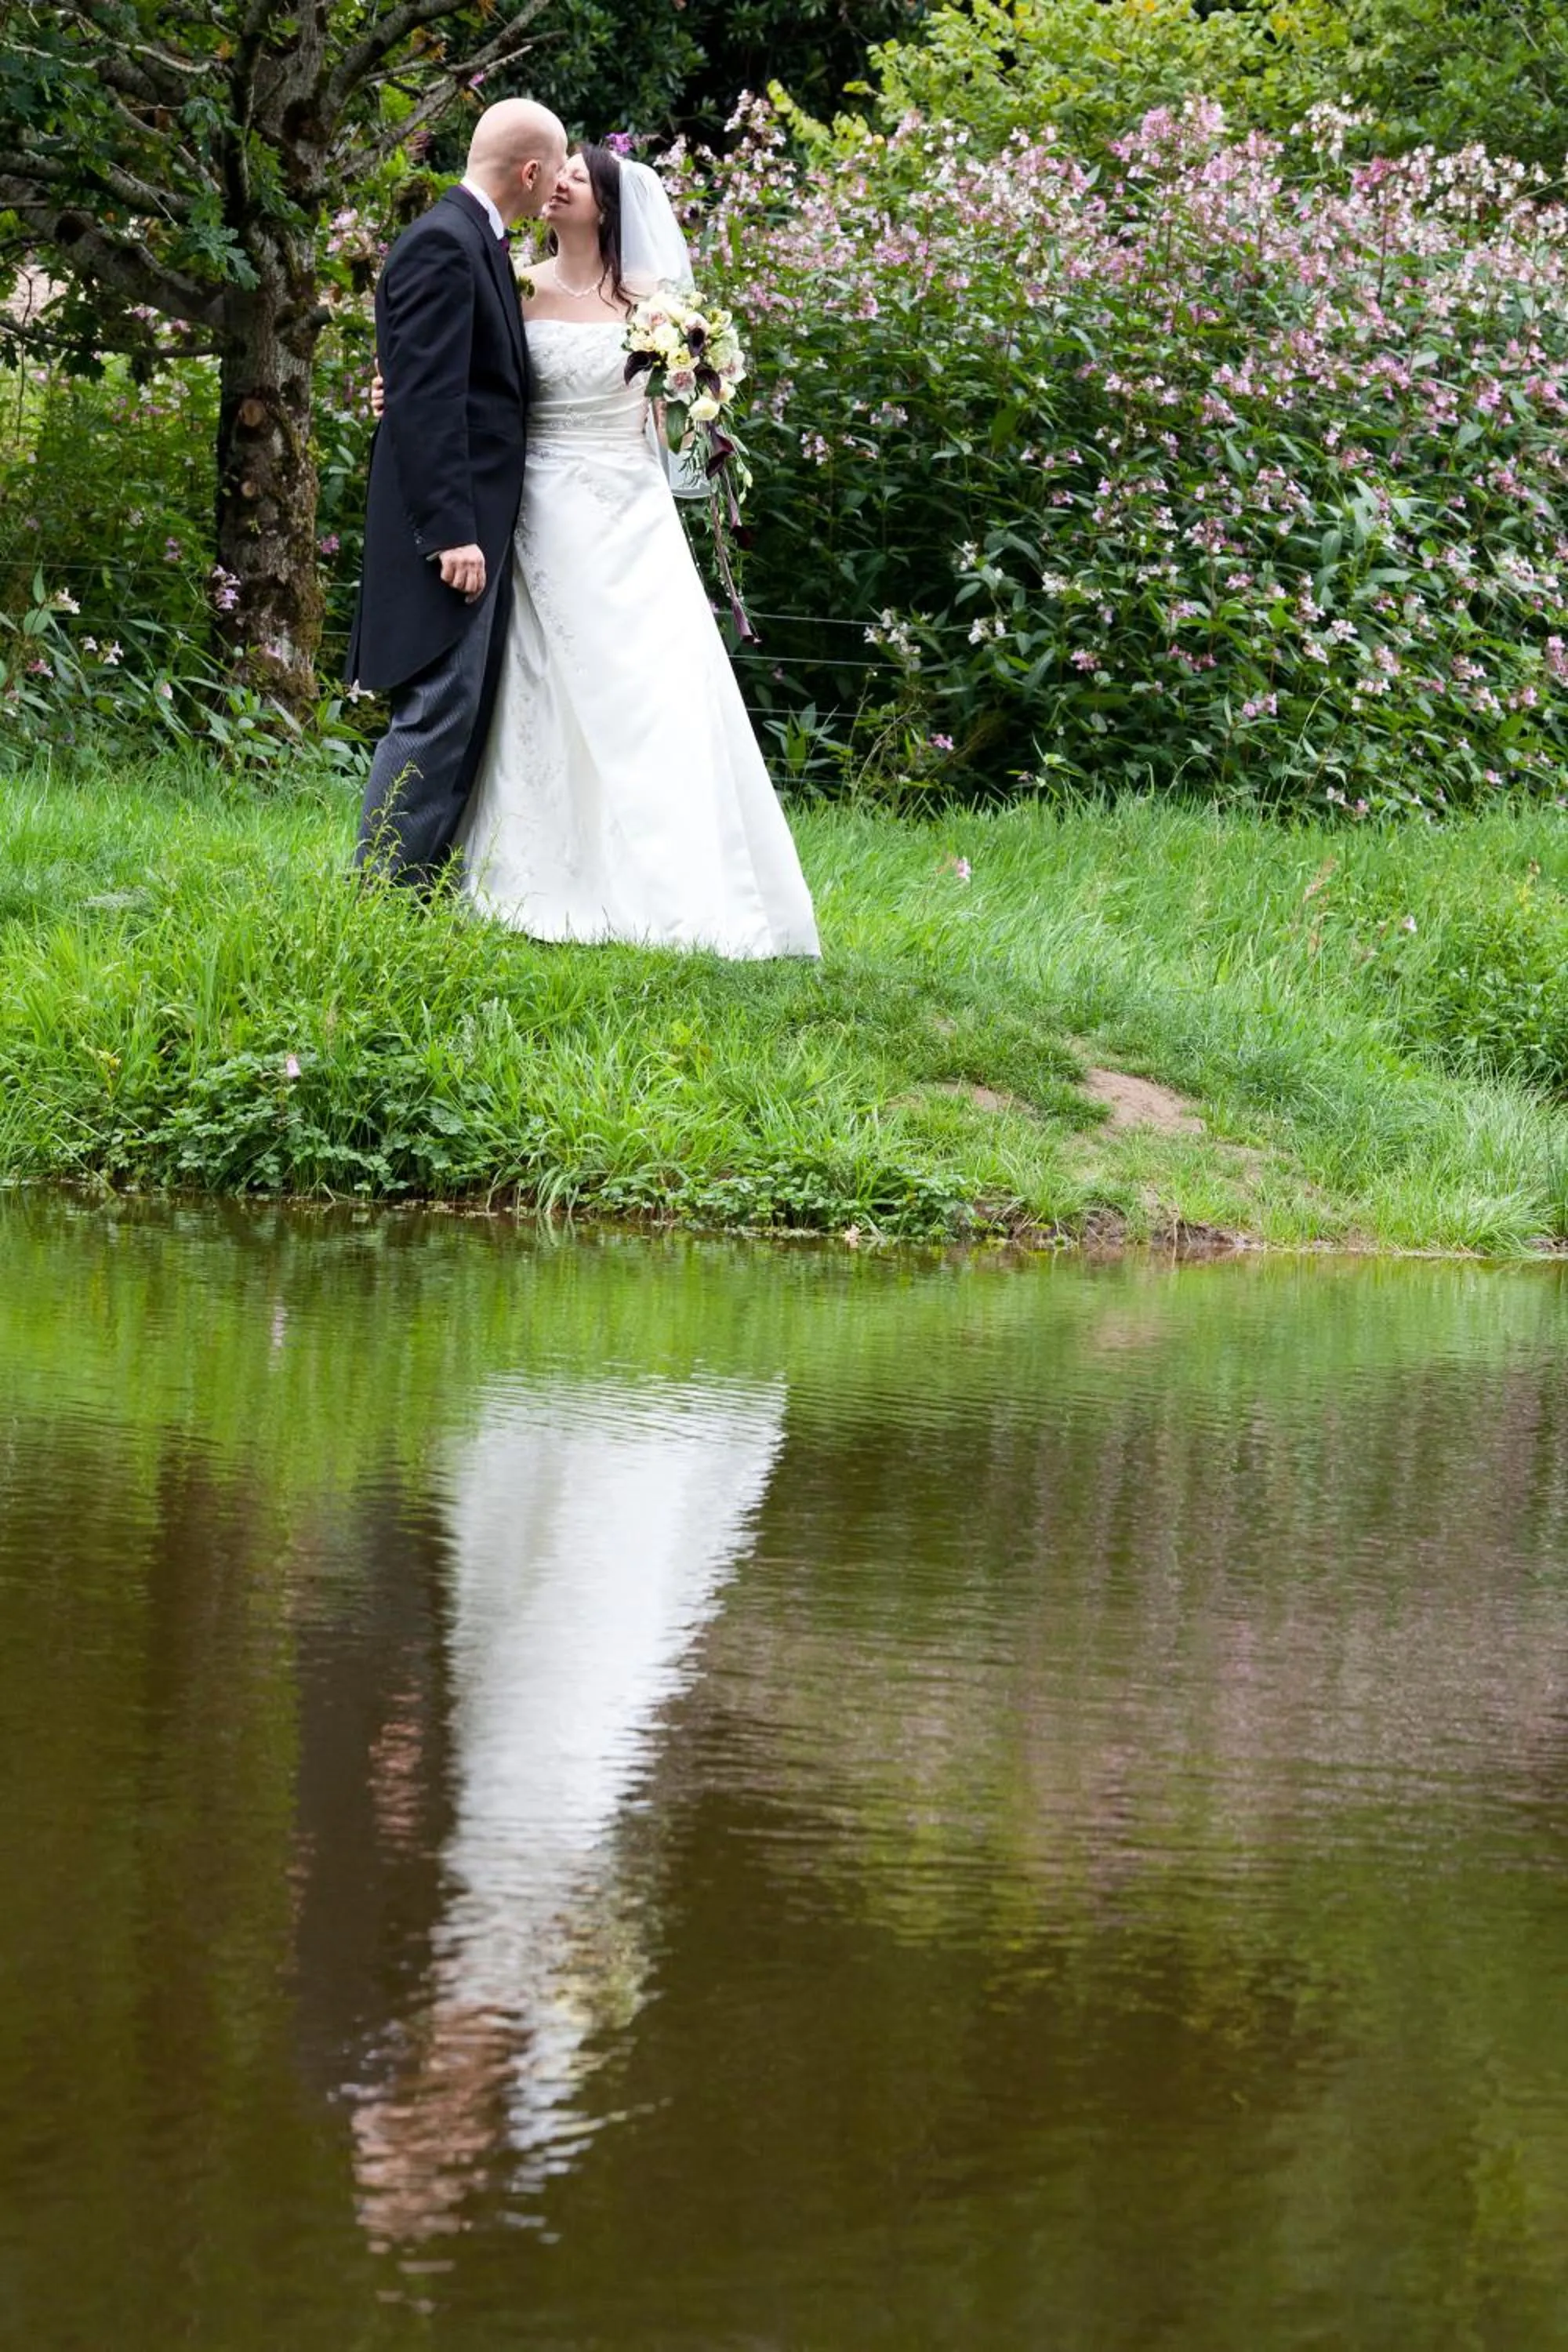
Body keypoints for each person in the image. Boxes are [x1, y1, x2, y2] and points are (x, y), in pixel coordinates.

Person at [372, 144, 820, 960]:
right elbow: (461, 373)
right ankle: (523, 871)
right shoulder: (518, 287)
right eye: (558, 173)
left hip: (625, 512)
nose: (559, 183)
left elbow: (683, 416)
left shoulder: (657, 304)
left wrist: (696, 393)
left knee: (642, 689)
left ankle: (666, 880)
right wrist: (393, 387)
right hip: (533, 507)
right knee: (533, 681)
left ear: (608, 205)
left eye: (578, 177)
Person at [348, 99, 569, 887]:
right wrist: (450, 532)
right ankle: (377, 894)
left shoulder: (473, 240)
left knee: (458, 705)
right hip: (446, 521)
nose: (558, 186)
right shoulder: (446, 243)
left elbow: (438, 381)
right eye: (556, 170)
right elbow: (431, 401)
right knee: (437, 706)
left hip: (474, 514)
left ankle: (417, 885)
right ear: (531, 171)